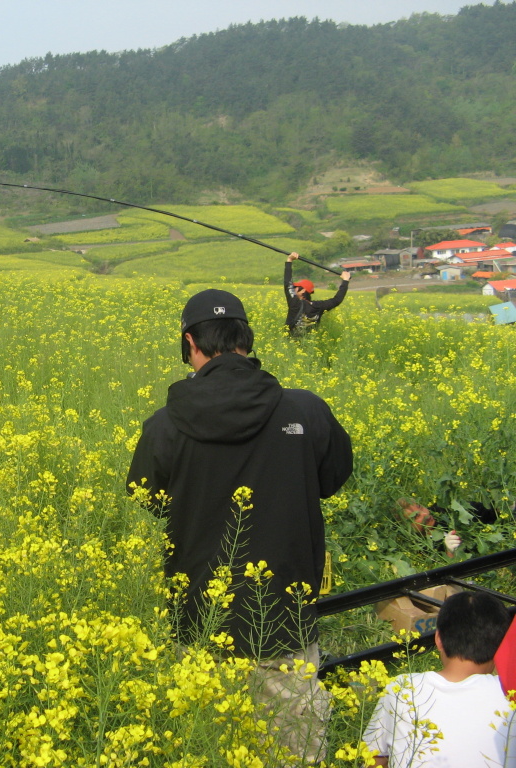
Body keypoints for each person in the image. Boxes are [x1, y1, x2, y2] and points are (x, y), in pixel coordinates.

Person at [126, 288, 353, 761]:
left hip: (199, 621)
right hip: (284, 620)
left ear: (190, 343)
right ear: (246, 339)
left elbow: (148, 499)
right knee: (294, 752)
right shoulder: (306, 410)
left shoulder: (164, 425)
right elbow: (331, 479)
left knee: (208, 749)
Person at [362, 591, 516, 767]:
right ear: (502, 645)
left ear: (438, 639)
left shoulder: (402, 688)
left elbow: (373, 760)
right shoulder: (510, 697)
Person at [284, 252, 351, 334]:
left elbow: (288, 284)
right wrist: (345, 280)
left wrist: (289, 260)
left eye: (295, 288)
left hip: (291, 344)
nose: (293, 290)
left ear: (303, 291)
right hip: (310, 344)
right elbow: (336, 300)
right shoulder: (319, 306)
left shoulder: (295, 303)